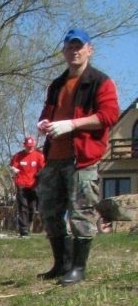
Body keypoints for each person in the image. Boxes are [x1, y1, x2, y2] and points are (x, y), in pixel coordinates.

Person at [36, 28, 120, 285]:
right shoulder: (57, 84)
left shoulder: (100, 82)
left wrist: (73, 124)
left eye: (79, 46)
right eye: (70, 47)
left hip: (81, 159)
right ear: (64, 51)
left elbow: (109, 115)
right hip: (54, 157)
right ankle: (61, 263)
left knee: (81, 212)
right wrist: (45, 124)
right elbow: (46, 114)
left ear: (89, 49)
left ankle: (78, 268)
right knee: (49, 211)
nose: (74, 51)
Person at [9, 136, 45, 236]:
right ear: (24, 145)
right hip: (21, 184)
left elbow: (43, 168)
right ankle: (23, 230)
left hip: (33, 185)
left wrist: (40, 176)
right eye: (28, 146)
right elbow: (12, 166)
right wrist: (13, 170)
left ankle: (28, 224)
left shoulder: (39, 155)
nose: (30, 148)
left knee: (32, 208)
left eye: (31, 147)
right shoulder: (18, 156)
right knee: (23, 207)